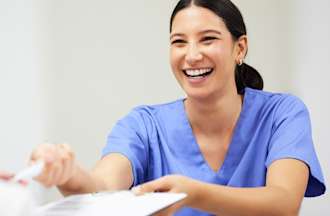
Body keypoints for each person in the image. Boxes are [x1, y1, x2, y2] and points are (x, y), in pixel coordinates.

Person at [29, 0, 326, 215]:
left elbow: (283, 203)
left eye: (208, 39)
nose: (192, 55)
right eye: (179, 42)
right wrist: (67, 175)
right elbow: (103, 187)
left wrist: (193, 194)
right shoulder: (144, 125)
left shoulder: (282, 114)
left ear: (240, 48)